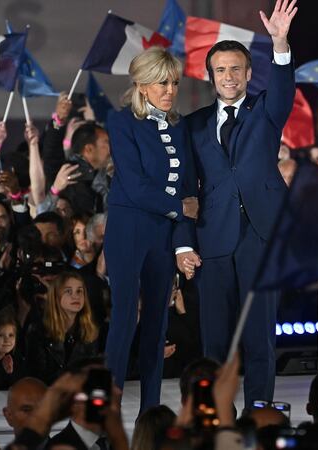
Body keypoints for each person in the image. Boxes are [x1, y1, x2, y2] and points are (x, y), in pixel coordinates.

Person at [183, 0, 297, 407]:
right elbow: (184, 188)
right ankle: (218, 414)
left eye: (236, 69)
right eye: (221, 70)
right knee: (215, 340)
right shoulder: (193, 124)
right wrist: (183, 243)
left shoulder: (266, 110)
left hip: (261, 237)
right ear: (210, 76)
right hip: (214, 239)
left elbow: (284, 88)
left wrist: (280, 43)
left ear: (249, 74)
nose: (228, 77)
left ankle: (259, 412)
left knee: (260, 337)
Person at [102, 46, 198, 412]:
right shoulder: (121, 121)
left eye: (173, 82)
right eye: (161, 82)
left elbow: (189, 186)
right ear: (142, 85)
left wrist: (181, 238)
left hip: (163, 233)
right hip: (129, 230)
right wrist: (179, 207)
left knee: (158, 327)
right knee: (125, 321)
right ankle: (106, 417)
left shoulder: (180, 125)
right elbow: (135, 183)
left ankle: (151, 414)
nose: (169, 89)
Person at [25, 271, 100, 384]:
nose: (76, 296)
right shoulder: (38, 331)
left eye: (79, 291)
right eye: (68, 291)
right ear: (56, 297)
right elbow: (36, 376)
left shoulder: (90, 331)